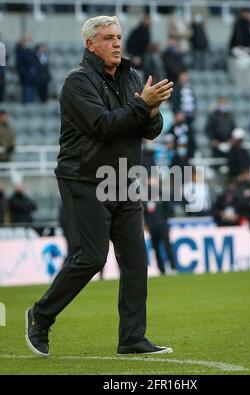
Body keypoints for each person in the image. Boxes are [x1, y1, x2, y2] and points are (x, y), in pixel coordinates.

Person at [25, 15, 174, 358]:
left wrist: (153, 111)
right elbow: (103, 126)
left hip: (124, 179)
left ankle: (132, 338)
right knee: (92, 256)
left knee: (136, 259)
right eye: (108, 38)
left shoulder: (133, 76)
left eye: (119, 37)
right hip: (84, 178)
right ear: (90, 44)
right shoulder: (77, 82)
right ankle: (41, 314)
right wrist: (143, 105)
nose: (117, 43)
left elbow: (149, 131)